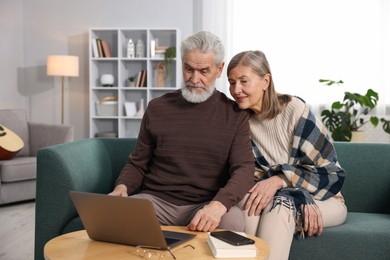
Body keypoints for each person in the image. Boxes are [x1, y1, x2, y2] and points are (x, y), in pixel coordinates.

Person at [109, 31, 254, 232]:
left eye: (204, 71)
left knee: (233, 222)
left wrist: (218, 205)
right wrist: (121, 188)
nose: (194, 79)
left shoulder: (235, 115)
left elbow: (244, 170)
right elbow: (138, 162)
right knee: (115, 217)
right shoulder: (157, 108)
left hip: (206, 203)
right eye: (188, 69)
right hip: (156, 202)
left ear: (219, 69)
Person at [227, 50, 347, 260]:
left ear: (266, 81)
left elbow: (331, 175)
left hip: (323, 199)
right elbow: (250, 177)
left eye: (244, 81)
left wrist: (280, 181)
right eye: (231, 82)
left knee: (280, 208)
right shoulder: (240, 122)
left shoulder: (295, 110)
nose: (236, 90)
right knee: (249, 208)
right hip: (275, 196)